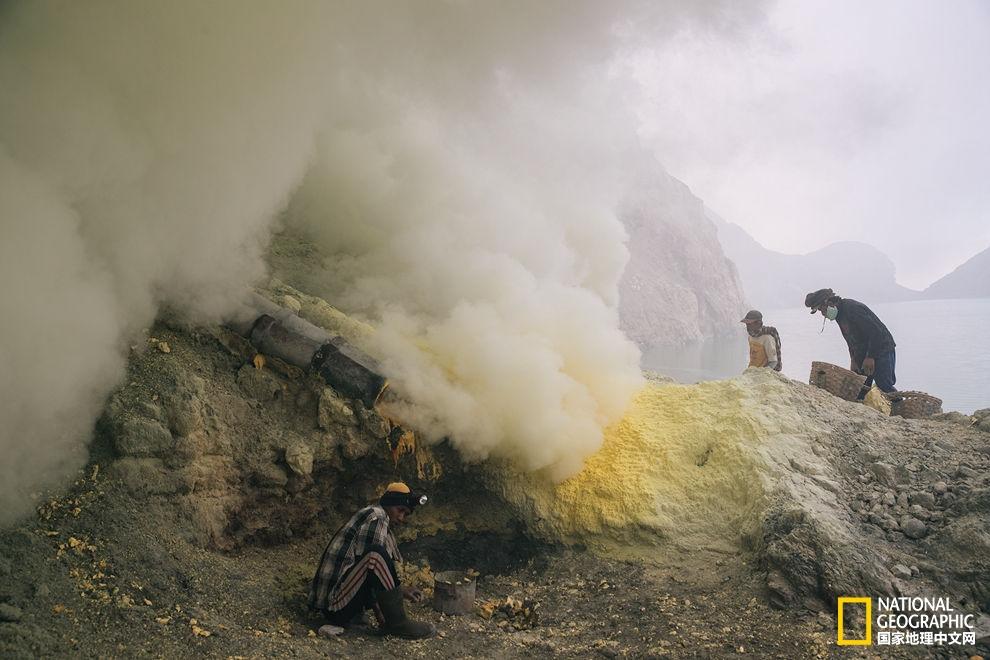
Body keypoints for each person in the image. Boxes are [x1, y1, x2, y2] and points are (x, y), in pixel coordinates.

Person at [308, 482, 435, 639]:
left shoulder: (376, 516)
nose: (401, 517)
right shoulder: (377, 517)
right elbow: (371, 567)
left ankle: (393, 622)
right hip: (335, 607)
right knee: (376, 553)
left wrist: (398, 593)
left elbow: (366, 573)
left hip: (337, 605)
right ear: (389, 504)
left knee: (376, 554)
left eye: (406, 514)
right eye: (400, 510)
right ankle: (399, 624)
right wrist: (382, 613)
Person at [804, 288, 897, 392]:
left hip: (881, 348)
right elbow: (850, 339)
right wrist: (853, 359)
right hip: (863, 353)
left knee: (884, 385)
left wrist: (870, 357)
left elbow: (875, 333)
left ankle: (899, 406)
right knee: (859, 388)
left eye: (822, 309)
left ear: (829, 303)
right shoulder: (839, 314)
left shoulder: (852, 308)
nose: (823, 314)